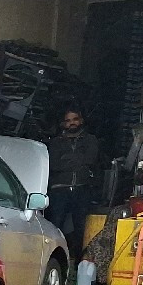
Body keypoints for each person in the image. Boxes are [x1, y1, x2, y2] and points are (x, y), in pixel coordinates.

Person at [46, 107, 100, 255]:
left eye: (75, 119)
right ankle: (53, 258)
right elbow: (54, 164)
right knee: (55, 226)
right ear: (63, 124)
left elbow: (90, 159)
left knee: (81, 229)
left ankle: (78, 263)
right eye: (68, 121)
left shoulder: (90, 140)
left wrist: (67, 159)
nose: (72, 123)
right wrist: (77, 161)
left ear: (81, 121)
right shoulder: (56, 143)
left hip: (82, 188)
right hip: (59, 189)